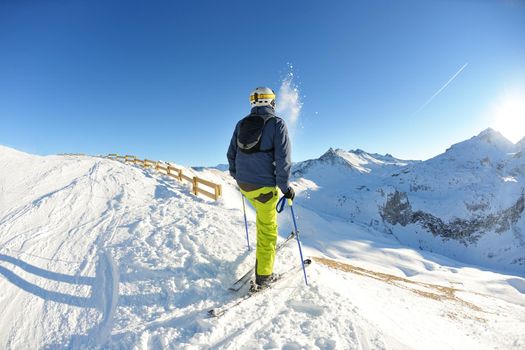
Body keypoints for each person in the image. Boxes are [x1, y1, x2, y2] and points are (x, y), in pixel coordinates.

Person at [227, 86, 295, 289]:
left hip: (244, 185)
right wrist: (285, 188)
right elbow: (283, 159)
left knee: (261, 213)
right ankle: (264, 277)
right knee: (268, 231)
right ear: (271, 102)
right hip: (264, 188)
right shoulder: (277, 124)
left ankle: (261, 254)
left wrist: (237, 175)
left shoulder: (241, 124)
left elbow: (231, 154)